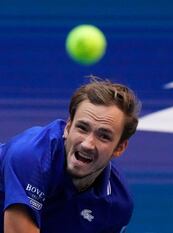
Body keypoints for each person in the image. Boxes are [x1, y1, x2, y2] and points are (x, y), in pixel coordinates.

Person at [0, 76, 141, 233]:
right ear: (68, 127)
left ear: (119, 148)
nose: (87, 144)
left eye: (104, 136)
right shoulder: (30, 156)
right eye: (82, 128)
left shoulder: (117, 204)